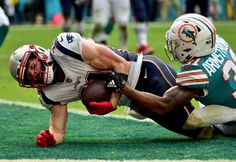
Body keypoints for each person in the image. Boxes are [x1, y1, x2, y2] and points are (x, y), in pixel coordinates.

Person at [9, 31, 214, 147]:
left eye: (32, 66)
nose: (34, 74)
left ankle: (217, 89)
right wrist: (51, 137)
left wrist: (113, 101)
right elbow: (58, 129)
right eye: (28, 75)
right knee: (199, 132)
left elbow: (120, 66)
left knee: (198, 121)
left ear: (39, 55)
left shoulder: (65, 48)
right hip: (136, 99)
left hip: (145, 73)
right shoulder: (48, 94)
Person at [103, 13, 236, 135]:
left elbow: (163, 105)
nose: (173, 47)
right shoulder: (217, 42)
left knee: (194, 121)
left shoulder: (198, 71)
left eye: (177, 43)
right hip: (229, 94)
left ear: (194, 45)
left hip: (232, 122)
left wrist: (123, 87)